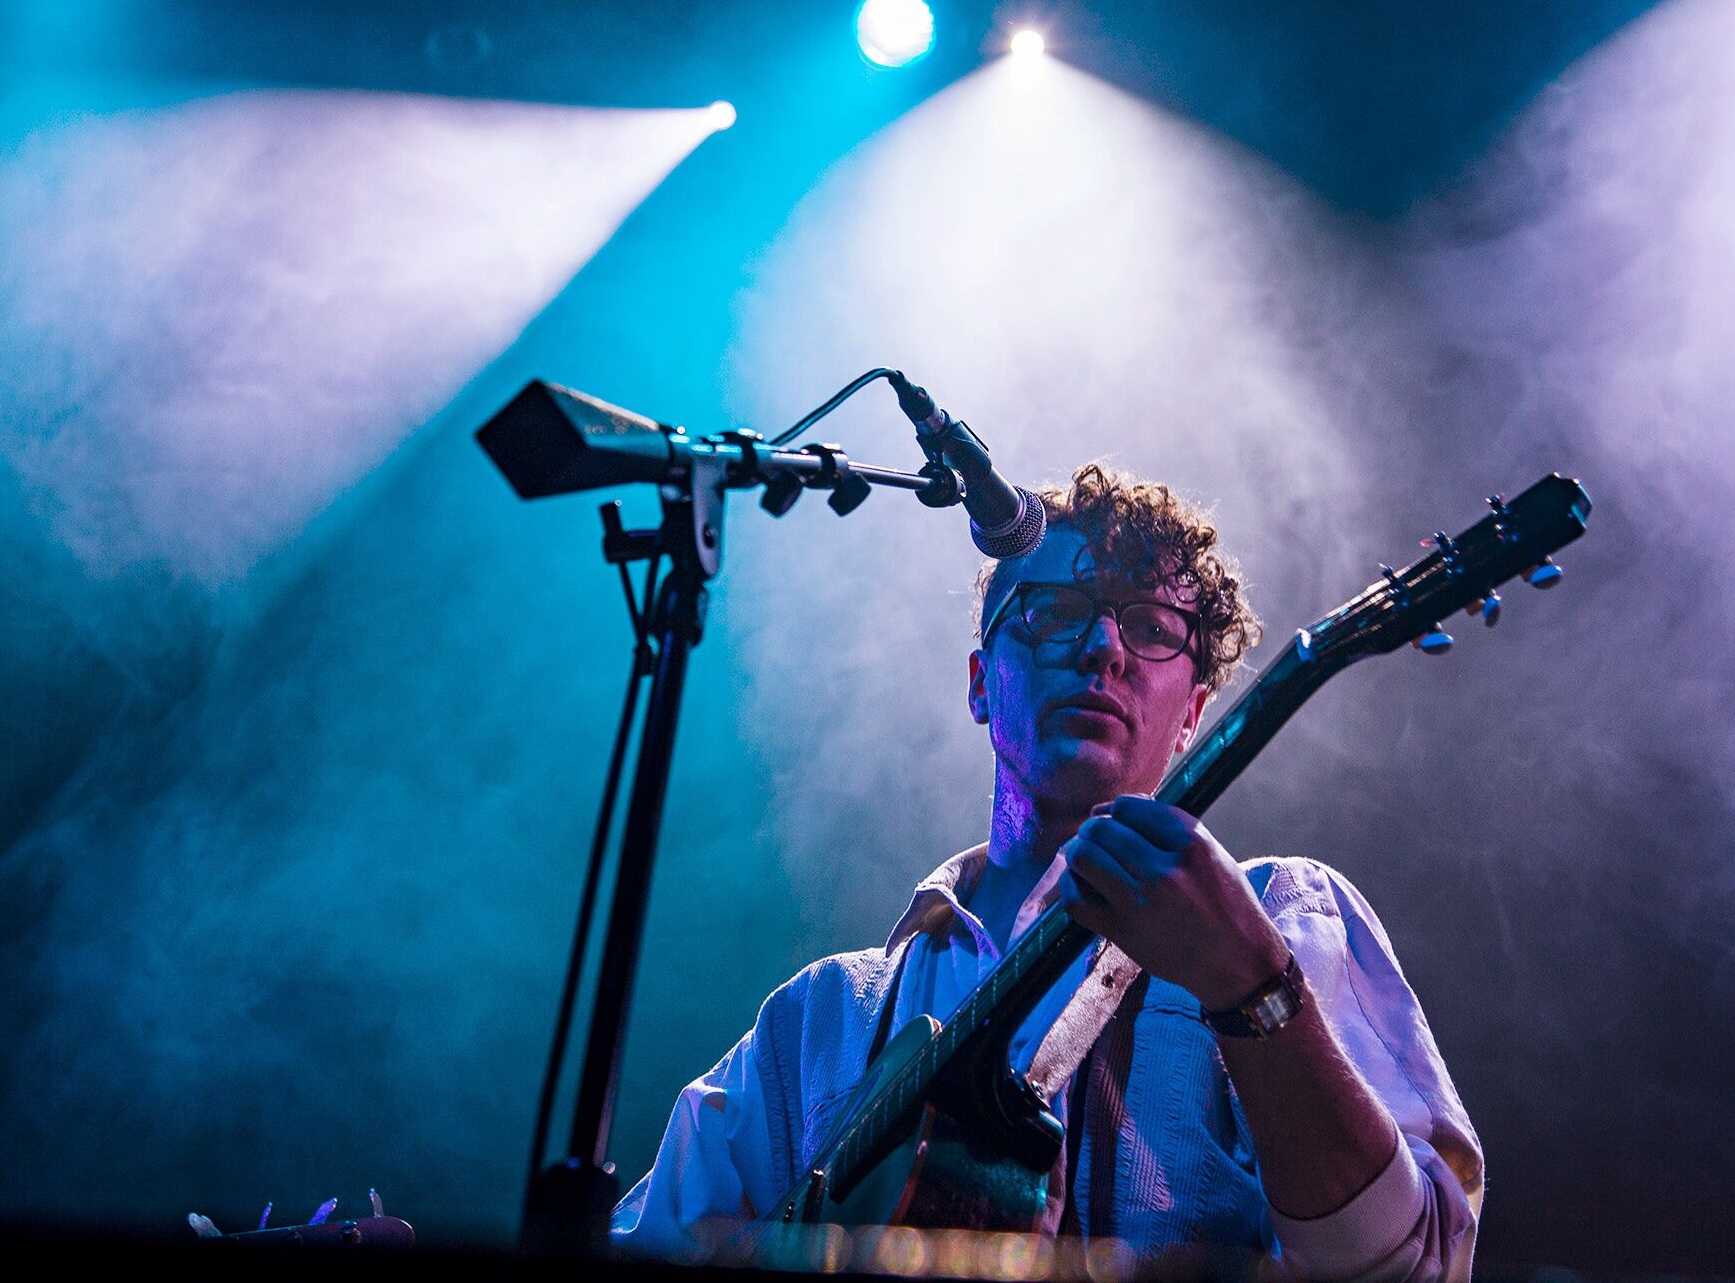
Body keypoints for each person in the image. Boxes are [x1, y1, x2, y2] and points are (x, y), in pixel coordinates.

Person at [611, 463, 1483, 1278]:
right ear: (982, 682)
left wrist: (1250, 982)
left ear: (1194, 717)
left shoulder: (1280, 912)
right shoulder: (820, 1017)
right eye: (1057, 611)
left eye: (1150, 627)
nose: (1105, 647)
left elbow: (1412, 1265)